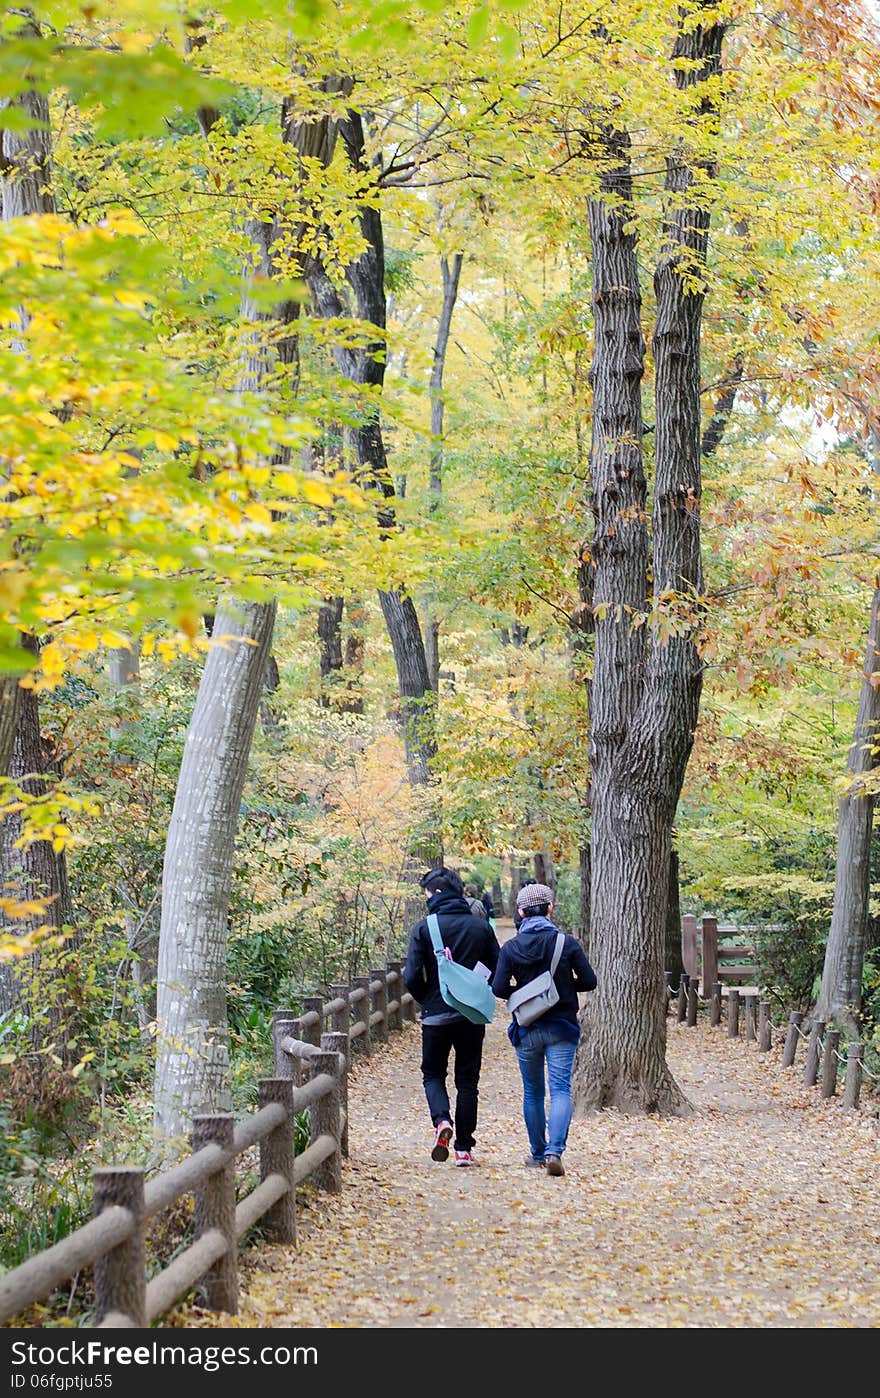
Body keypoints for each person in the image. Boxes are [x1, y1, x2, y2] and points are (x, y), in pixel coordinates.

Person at [491, 881, 596, 1177]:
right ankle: (555, 1151)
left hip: (526, 1027)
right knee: (561, 1089)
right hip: (562, 1026)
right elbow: (589, 981)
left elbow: (499, 988)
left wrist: (526, 992)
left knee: (533, 1092)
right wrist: (560, 987)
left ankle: (537, 1153)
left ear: (522, 912)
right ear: (550, 909)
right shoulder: (566, 943)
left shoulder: (511, 948)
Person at [404, 866, 501, 1166]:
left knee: (433, 1073)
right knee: (468, 1081)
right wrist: (474, 986)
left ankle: (442, 1121)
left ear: (434, 893)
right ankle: (463, 1148)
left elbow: (410, 977)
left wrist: (428, 1000)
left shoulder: (424, 928)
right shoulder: (480, 927)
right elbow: (496, 968)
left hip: (435, 1015)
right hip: (470, 1015)